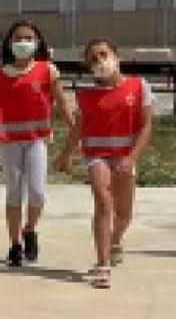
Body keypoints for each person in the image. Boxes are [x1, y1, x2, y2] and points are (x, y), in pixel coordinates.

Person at [55, 39, 153, 289]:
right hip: (97, 155)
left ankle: (115, 240)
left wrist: (131, 158)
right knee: (103, 201)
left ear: (116, 55)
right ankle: (102, 263)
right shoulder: (87, 96)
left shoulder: (138, 86)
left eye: (103, 55)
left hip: (125, 156)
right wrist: (65, 155)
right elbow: (79, 129)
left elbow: (146, 127)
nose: (100, 62)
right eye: (93, 60)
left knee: (124, 213)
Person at [0, 20, 72, 268]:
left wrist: (74, 129)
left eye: (28, 38)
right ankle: (14, 244)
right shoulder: (0, 74)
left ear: (37, 43)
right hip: (9, 141)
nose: (23, 42)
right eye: (18, 38)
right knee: (14, 191)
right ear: (10, 44)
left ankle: (30, 229)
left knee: (37, 192)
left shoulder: (47, 70)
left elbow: (62, 102)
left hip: (36, 140)